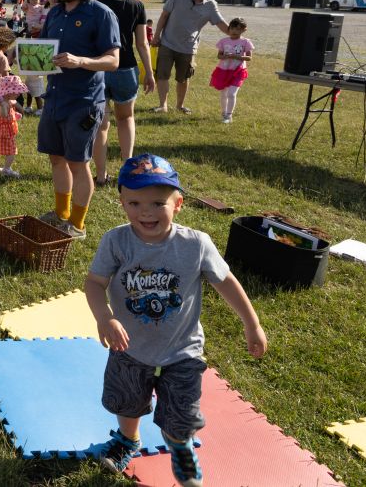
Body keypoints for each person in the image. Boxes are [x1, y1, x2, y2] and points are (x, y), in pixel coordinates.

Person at [85, 154, 266, 485]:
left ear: (178, 203)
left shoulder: (196, 244)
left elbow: (225, 281)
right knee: (127, 401)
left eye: (157, 203)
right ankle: (128, 439)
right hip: (130, 347)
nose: (146, 212)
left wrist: (251, 323)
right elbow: (95, 283)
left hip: (182, 351)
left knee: (181, 413)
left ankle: (181, 448)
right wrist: (104, 317)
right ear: (122, 202)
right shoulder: (116, 241)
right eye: (135, 202)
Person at [36, 0, 120, 240]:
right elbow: (44, 49)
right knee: (57, 159)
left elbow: (113, 61)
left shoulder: (101, 14)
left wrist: (81, 61)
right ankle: (61, 213)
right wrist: (19, 55)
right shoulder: (55, 13)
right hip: (55, 96)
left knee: (78, 163)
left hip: (84, 101)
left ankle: (78, 224)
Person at [90, 0, 155, 186]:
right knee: (126, 118)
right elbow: (142, 43)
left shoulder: (92, 7)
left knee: (101, 123)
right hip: (126, 68)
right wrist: (149, 72)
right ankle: (126, 171)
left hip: (98, 67)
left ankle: (100, 174)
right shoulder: (136, 6)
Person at [152, 0, 229, 114]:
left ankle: (179, 106)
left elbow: (221, 24)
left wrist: (235, 34)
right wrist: (157, 36)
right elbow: (164, 15)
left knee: (183, 78)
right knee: (162, 75)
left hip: (188, 48)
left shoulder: (211, 5)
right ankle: (162, 105)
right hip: (167, 43)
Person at [210, 18, 253, 124]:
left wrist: (236, 57)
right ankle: (224, 113)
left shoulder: (245, 42)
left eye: (238, 29)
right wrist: (224, 56)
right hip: (224, 70)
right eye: (232, 28)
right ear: (229, 29)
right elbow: (219, 56)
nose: (234, 31)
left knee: (232, 93)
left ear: (244, 30)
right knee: (224, 93)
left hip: (238, 71)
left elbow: (249, 58)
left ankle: (229, 116)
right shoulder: (223, 41)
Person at [0, 74, 26, 178]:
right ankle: (7, 169)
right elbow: (4, 115)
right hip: (4, 132)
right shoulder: (3, 103)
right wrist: (3, 106)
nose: (18, 94)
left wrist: (17, 112)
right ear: (8, 92)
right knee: (11, 150)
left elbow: (15, 103)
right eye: (16, 92)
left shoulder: (8, 100)